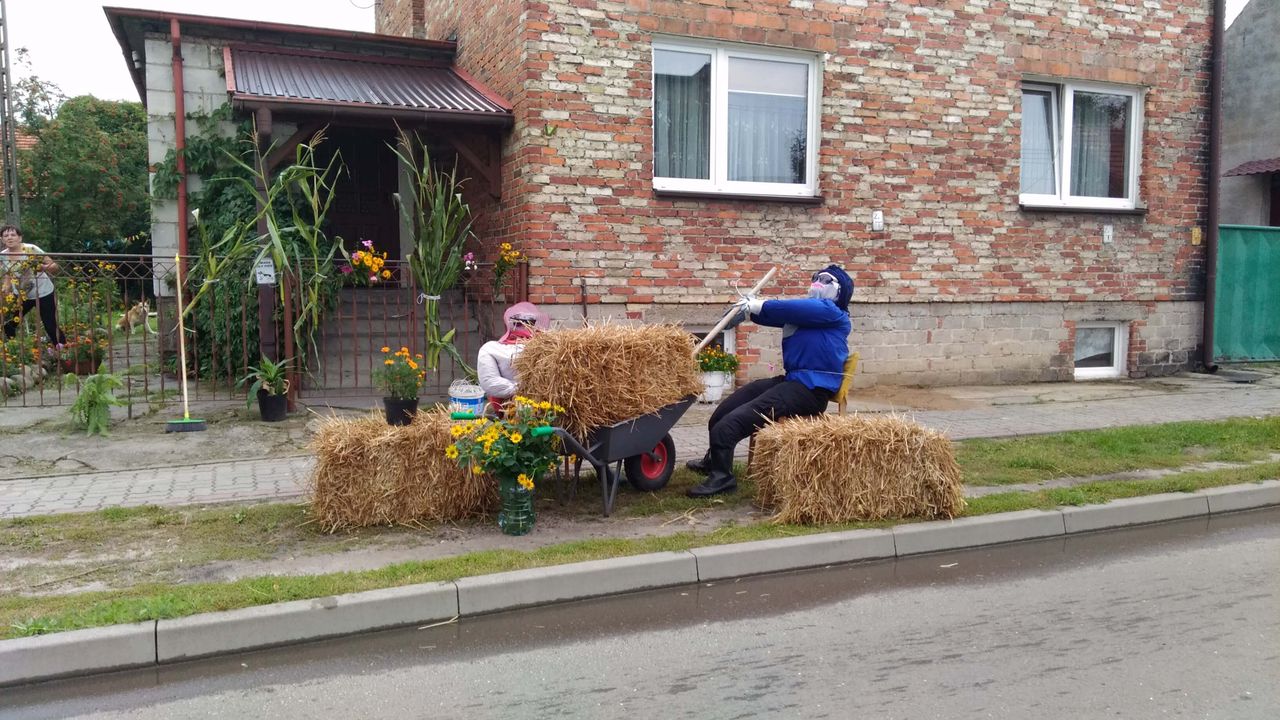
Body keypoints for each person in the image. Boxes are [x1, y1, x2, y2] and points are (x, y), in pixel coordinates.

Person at [686, 265, 854, 497]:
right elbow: (777, 314)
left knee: (732, 425)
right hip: (792, 382)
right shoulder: (806, 316)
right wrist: (748, 312)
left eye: (826, 281)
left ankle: (723, 479)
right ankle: (715, 462)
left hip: (811, 391)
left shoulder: (834, 314)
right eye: (816, 278)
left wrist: (759, 304)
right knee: (722, 414)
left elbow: (794, 307)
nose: (818, 283)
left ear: (839, 291)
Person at [0, 225, 65, 344]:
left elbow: (54, 266)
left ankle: (64, 352)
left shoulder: (31, 249)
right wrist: (5, 289)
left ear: (20, 238)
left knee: (50, 326)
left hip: (43, 293)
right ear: (2, 240)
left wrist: (43, 268)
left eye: (13, 235)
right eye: (6, 236)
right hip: (21, 295)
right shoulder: (3, 256)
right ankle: (14, 350)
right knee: (10, 323)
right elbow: (8, 275)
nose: (10, 238)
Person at [476, 301, 548, 406]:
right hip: (510, 408)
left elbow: (490, 383)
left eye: (527, 323)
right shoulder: (491, 349)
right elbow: (490, 383)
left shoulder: (546, 347)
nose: (524, 327)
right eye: (521, 324)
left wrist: (521, 389)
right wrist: (527, 389)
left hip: (542, 407)